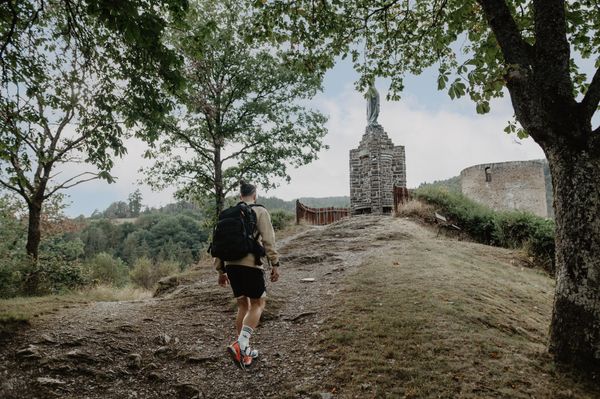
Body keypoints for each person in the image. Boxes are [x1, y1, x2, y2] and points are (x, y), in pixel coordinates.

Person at [214, 181, 280, 369]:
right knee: (259, 303)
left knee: (243, 305)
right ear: (255, 194)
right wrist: (274, 264)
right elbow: (268, 240)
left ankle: (244, 351)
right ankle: (241, 344)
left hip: (231, 265)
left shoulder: (228, 215)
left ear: (240, 195)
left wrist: (220, 270)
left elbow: (219, 244)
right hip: (250, 265)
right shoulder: (260, 211)